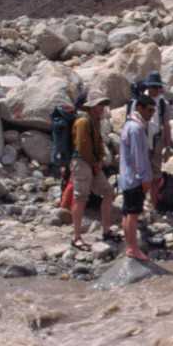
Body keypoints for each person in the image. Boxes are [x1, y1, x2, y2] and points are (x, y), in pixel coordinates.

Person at [70, 94, 117, 251]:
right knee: (80, 198)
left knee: (109, 192)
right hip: (82, 163)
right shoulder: (84, 122)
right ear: (91, 107)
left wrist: (98, 162)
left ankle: (106, 230)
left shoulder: (94, 122)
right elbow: (83, 147)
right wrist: (95, 164)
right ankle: (76, 237)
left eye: (103, 105)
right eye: (99, 105)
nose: (102, 108)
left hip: (91, 164)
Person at [118, 95, 156, 261]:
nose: (151, 114)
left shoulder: (130, 125)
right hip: (135, 178)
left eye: (153, 110)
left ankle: (130, 246)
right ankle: (133, 248)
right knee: (132, 214)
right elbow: (138, 156)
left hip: (127, 177)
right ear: (139, 107)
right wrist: (145, 177)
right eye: (149, 110)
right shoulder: (136, 128)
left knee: (127, 213)